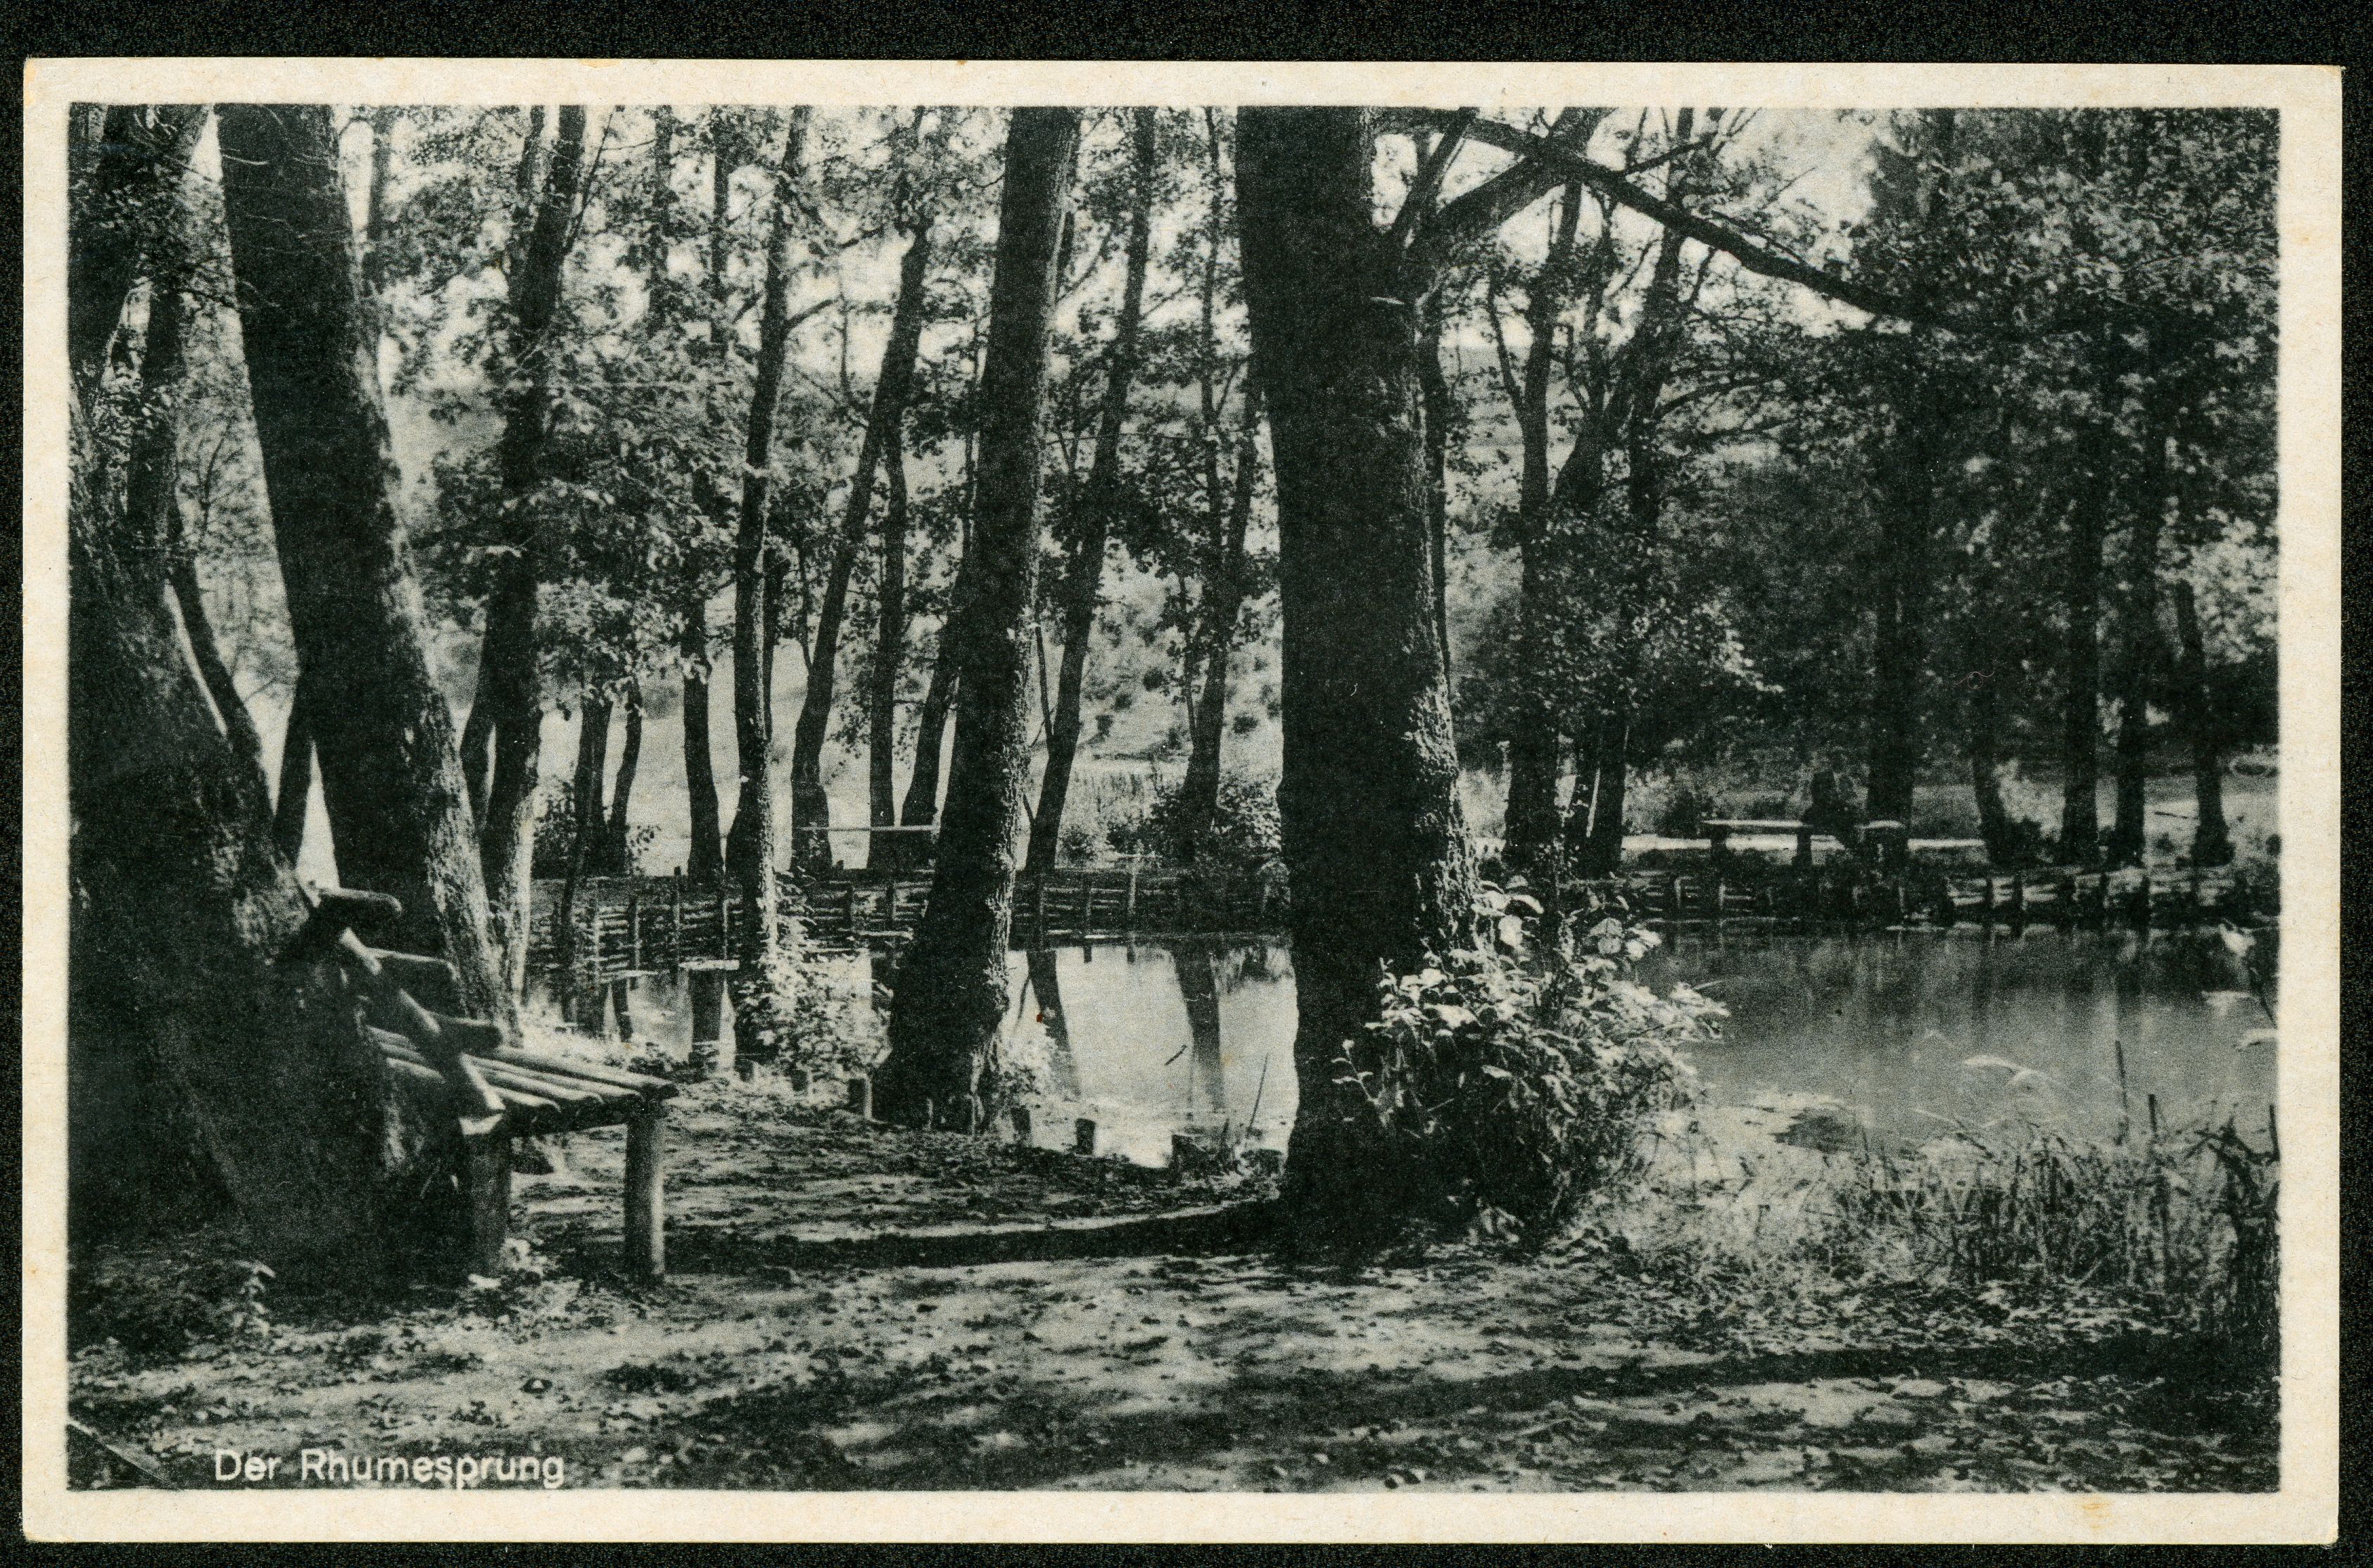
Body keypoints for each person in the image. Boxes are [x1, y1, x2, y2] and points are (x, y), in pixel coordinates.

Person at [1804, 751, 1863, 852]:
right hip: (1825, 812)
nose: (1842, 763)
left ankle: (1855, 849)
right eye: (1839, 760)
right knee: (1843, 824)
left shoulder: (1847, 780)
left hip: (1842, 813)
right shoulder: (1820, 777)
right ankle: (1854, 849)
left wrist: (1852, 806)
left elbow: (1853, 797)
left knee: (1858, 821)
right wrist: (1843, 804)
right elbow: (1819, 798)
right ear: (1832, 761)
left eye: (1844, 760)